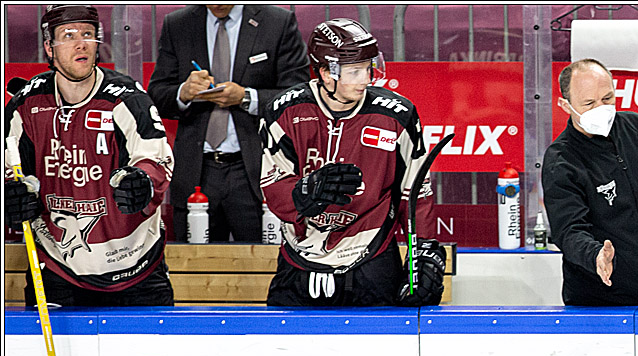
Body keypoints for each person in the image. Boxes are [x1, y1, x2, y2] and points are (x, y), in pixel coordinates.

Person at [259, 18, 445, 307]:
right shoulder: (284, 111)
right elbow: (273, 186)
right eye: (354, 71)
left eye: (368, 68)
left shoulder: (397, 115)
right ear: (324, 72)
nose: (365, 79)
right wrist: (303, 192)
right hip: (299, 260)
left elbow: (415, 194)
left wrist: (423, 253)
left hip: (372, 259)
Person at [4, 4, 175, 307]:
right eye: (68, 35)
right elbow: (10, 171)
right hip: (58, 270)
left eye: (88, 34)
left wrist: (142, 182)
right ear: (49, 48)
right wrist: (10, 196)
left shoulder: (126, 98)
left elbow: (155, 159)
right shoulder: (26, 105)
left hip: (135, 270)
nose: (81, 43)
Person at [541, 58, 638, 306]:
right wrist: (596, 256)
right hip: (601, 303)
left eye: (607, 98)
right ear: (566, 105)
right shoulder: (562, 160)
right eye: (589, 103)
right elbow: (569, 231)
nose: (601, 108)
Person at [148, 4, 307, 243]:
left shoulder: (277, 22)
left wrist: (247, 97)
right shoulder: (178, 24)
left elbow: (298, 95)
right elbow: (157, 95)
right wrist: (184, 92)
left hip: (255, 171)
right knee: (194, 268)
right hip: (197, 173)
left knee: (265, 266)